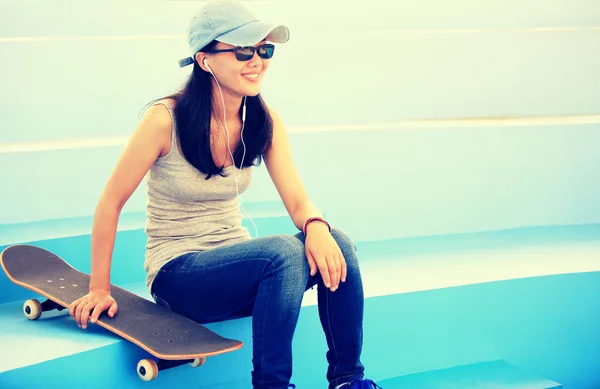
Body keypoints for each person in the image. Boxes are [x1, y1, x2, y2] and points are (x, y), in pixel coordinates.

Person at [68, 1, 381, 388]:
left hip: (242, 273)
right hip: (179, 275)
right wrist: (99, 288)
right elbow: (109, 203)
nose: (258, 61)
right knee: (283, 252)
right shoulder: (164, 120)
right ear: (205, 60)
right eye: (244, 51)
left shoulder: (262, 120)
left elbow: (299, 204)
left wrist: (317, 226)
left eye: (265, 50)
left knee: (339, 243)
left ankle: (348, 379)